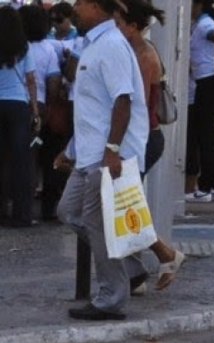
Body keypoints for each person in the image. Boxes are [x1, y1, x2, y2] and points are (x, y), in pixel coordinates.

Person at [54, 0, 149, 320]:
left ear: (96, 6)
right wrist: (71, 149)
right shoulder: (92, 43)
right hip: (88, 153)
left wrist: (112, 150)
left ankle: (111, 298)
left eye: (81, 3)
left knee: (96, 223)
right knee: (69, 212)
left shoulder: (111, 45)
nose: (75, 8)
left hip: (105, 154)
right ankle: (129, 266)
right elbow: (93, 107)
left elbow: (123, 101)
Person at [114, 0, 186, 292]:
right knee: (126, 206)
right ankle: (138, 270)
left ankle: (156, 260)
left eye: (119, 23)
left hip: (141, 138)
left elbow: (136, 105)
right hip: (138, 138)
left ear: (133, 26)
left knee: (127, 205)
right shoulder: (134, 50)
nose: (115, 28)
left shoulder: (143, 55)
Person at [18, 4, 61, 220]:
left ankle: (16, 204)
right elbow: (53, 82)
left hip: (18, 105)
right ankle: (46, 208)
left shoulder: (15, 46)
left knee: (20, 158)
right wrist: (49, 107)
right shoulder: (49, 49)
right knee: (43, 155)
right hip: (40, 107)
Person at [185, 0, 214, 203]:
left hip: (208, 81)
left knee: (206, 137)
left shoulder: (205, 25)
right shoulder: (203, 22)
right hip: (206, 81)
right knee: (210, 135)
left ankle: (206, 186)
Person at [0, 5, 39, 228]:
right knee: (20, 162)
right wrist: (35, 110)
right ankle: (22, 214)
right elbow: (31, 80)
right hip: (17, 105)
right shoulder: (23, 47)